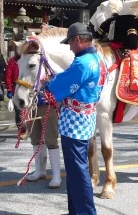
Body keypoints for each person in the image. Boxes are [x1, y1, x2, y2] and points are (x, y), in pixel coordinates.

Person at [45, 22, 107, 215]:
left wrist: (47, 84)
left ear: (77, 40)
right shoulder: (98, 58)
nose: (70, 48)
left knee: (78, 171)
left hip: (75, 120)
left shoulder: (82, 63)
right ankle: (76, 211)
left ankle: (86, 213)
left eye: (70, 43)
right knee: (75, 170)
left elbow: (59, 86)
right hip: (86, 116)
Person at [5, 51, 26, 134]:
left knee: (29, 110)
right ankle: (22, 130)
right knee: (19, 111)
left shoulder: (30, 59)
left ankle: (31, 130)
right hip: (16, 88)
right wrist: (9, 89)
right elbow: (8, 76)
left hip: (29, 89)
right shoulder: (13, 61)